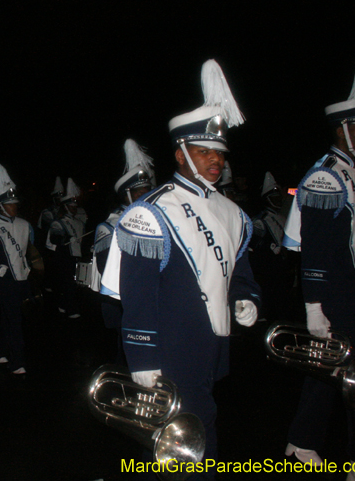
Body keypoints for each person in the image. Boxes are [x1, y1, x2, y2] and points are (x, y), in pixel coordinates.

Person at [100, 60, 260, 480]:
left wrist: (246, 297)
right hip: (171, 350)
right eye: (204, 151)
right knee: (190, 443)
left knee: (193, 438)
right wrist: (143, 358)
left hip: (214, 344)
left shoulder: (233, 213)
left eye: (219, 153)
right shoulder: (151, 212)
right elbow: (137, 295)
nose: (215, 161)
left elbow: (239, 272)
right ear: (181, 153)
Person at [282, 49, 355, 481]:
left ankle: (301, 442)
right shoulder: (326, 176)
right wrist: (314, 305)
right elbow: (315, 249)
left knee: (330, 366)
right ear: (342, 129)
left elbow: (354, 231)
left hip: (352, 284)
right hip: (335, 289)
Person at [93, 139, 154, 365]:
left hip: (153, 298)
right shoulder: (109, 226)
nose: (144, 196)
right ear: (127, 195)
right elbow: (106, 266)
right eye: (138, 193)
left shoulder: (158, 220)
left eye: (147, 191)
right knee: (127, 350)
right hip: (125, 299)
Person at [0, 164, 34, 375]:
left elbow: (28, 251)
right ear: (1, 206)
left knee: (9, 319)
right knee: (14, 321)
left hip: (22, 278)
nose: (14, 207)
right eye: (10, 204)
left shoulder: (25, 225)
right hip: (5, 281)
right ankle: (18, 361)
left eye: (15, 203)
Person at [248, 172, 294, 321]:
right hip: (267, 272)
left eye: (278, 197)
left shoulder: (283, 218)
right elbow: (253, 248)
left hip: (283, 270)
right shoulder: (260, 221)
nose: (278, 200)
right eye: (274, 198)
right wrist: (267, 247)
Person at [47, 178, 86, 318]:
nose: (75, 208)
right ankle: (72, 309)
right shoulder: (58, 223)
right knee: (69, 283)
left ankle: (63, 304)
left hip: (76, 255)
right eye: (72, 206)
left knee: (73, 283)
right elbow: (54, 238)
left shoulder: (80, 223)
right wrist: (66, 238)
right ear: (66, 206)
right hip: (64, 257)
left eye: (75, 206)